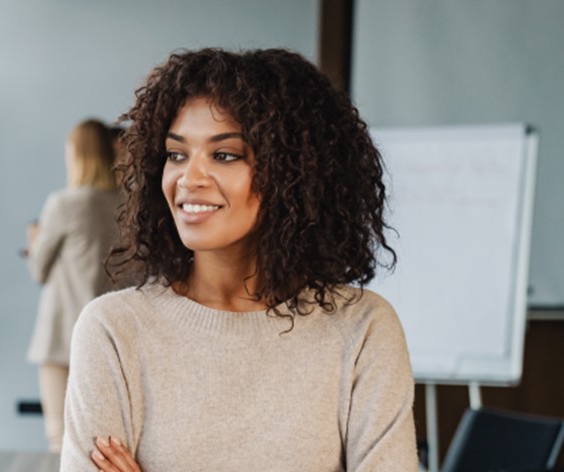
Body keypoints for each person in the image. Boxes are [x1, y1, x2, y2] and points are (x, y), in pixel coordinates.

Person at [61, 48, 419, 471]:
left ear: (293, 174)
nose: (188, 178)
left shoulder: (362, 330)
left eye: (225, 155)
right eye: (176, 154)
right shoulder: (113, 331)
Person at [25, 119, 122, 453]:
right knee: (100, 439)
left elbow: (39, 270)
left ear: (78, 153)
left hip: (61, 333)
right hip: (110, 333)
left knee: (59, 434)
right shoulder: (128, 204)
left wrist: (35, 241)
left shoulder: (64, 203)